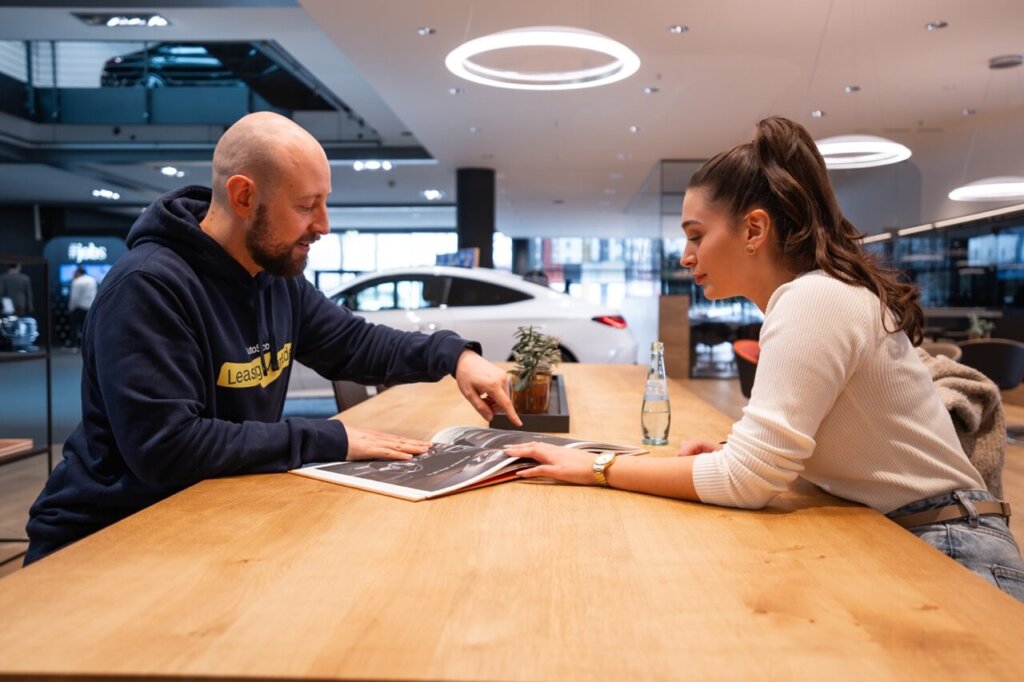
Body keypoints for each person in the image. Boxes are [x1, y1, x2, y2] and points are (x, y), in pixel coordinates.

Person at [506, 116, 1024, 601]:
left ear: (754, 230)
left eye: (695, 236)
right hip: (923, 532)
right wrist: (738, 452)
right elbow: (772, 458)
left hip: (953, 549)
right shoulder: (816, 295)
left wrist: (598, 466)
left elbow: (746, 480)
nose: (686, 256)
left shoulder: (813, 298)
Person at [25, 111, 520, 564]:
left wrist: (454, 355)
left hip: (208, 513)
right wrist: (331, 437)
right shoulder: (148, 287)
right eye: (306, 206)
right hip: (108, 537)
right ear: (244, 197)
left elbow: (355, 343)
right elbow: (167, 448)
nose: (323, 226)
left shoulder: (275, 278)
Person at [67, 265, 97, 348]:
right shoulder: (92, 280)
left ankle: (74, 344)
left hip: (79, 308)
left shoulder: (77, 281)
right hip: (90, 307)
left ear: (78, 272)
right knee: (88, 328)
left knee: (74, 326)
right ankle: (89, 345)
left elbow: (74, 298)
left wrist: (70, 308)